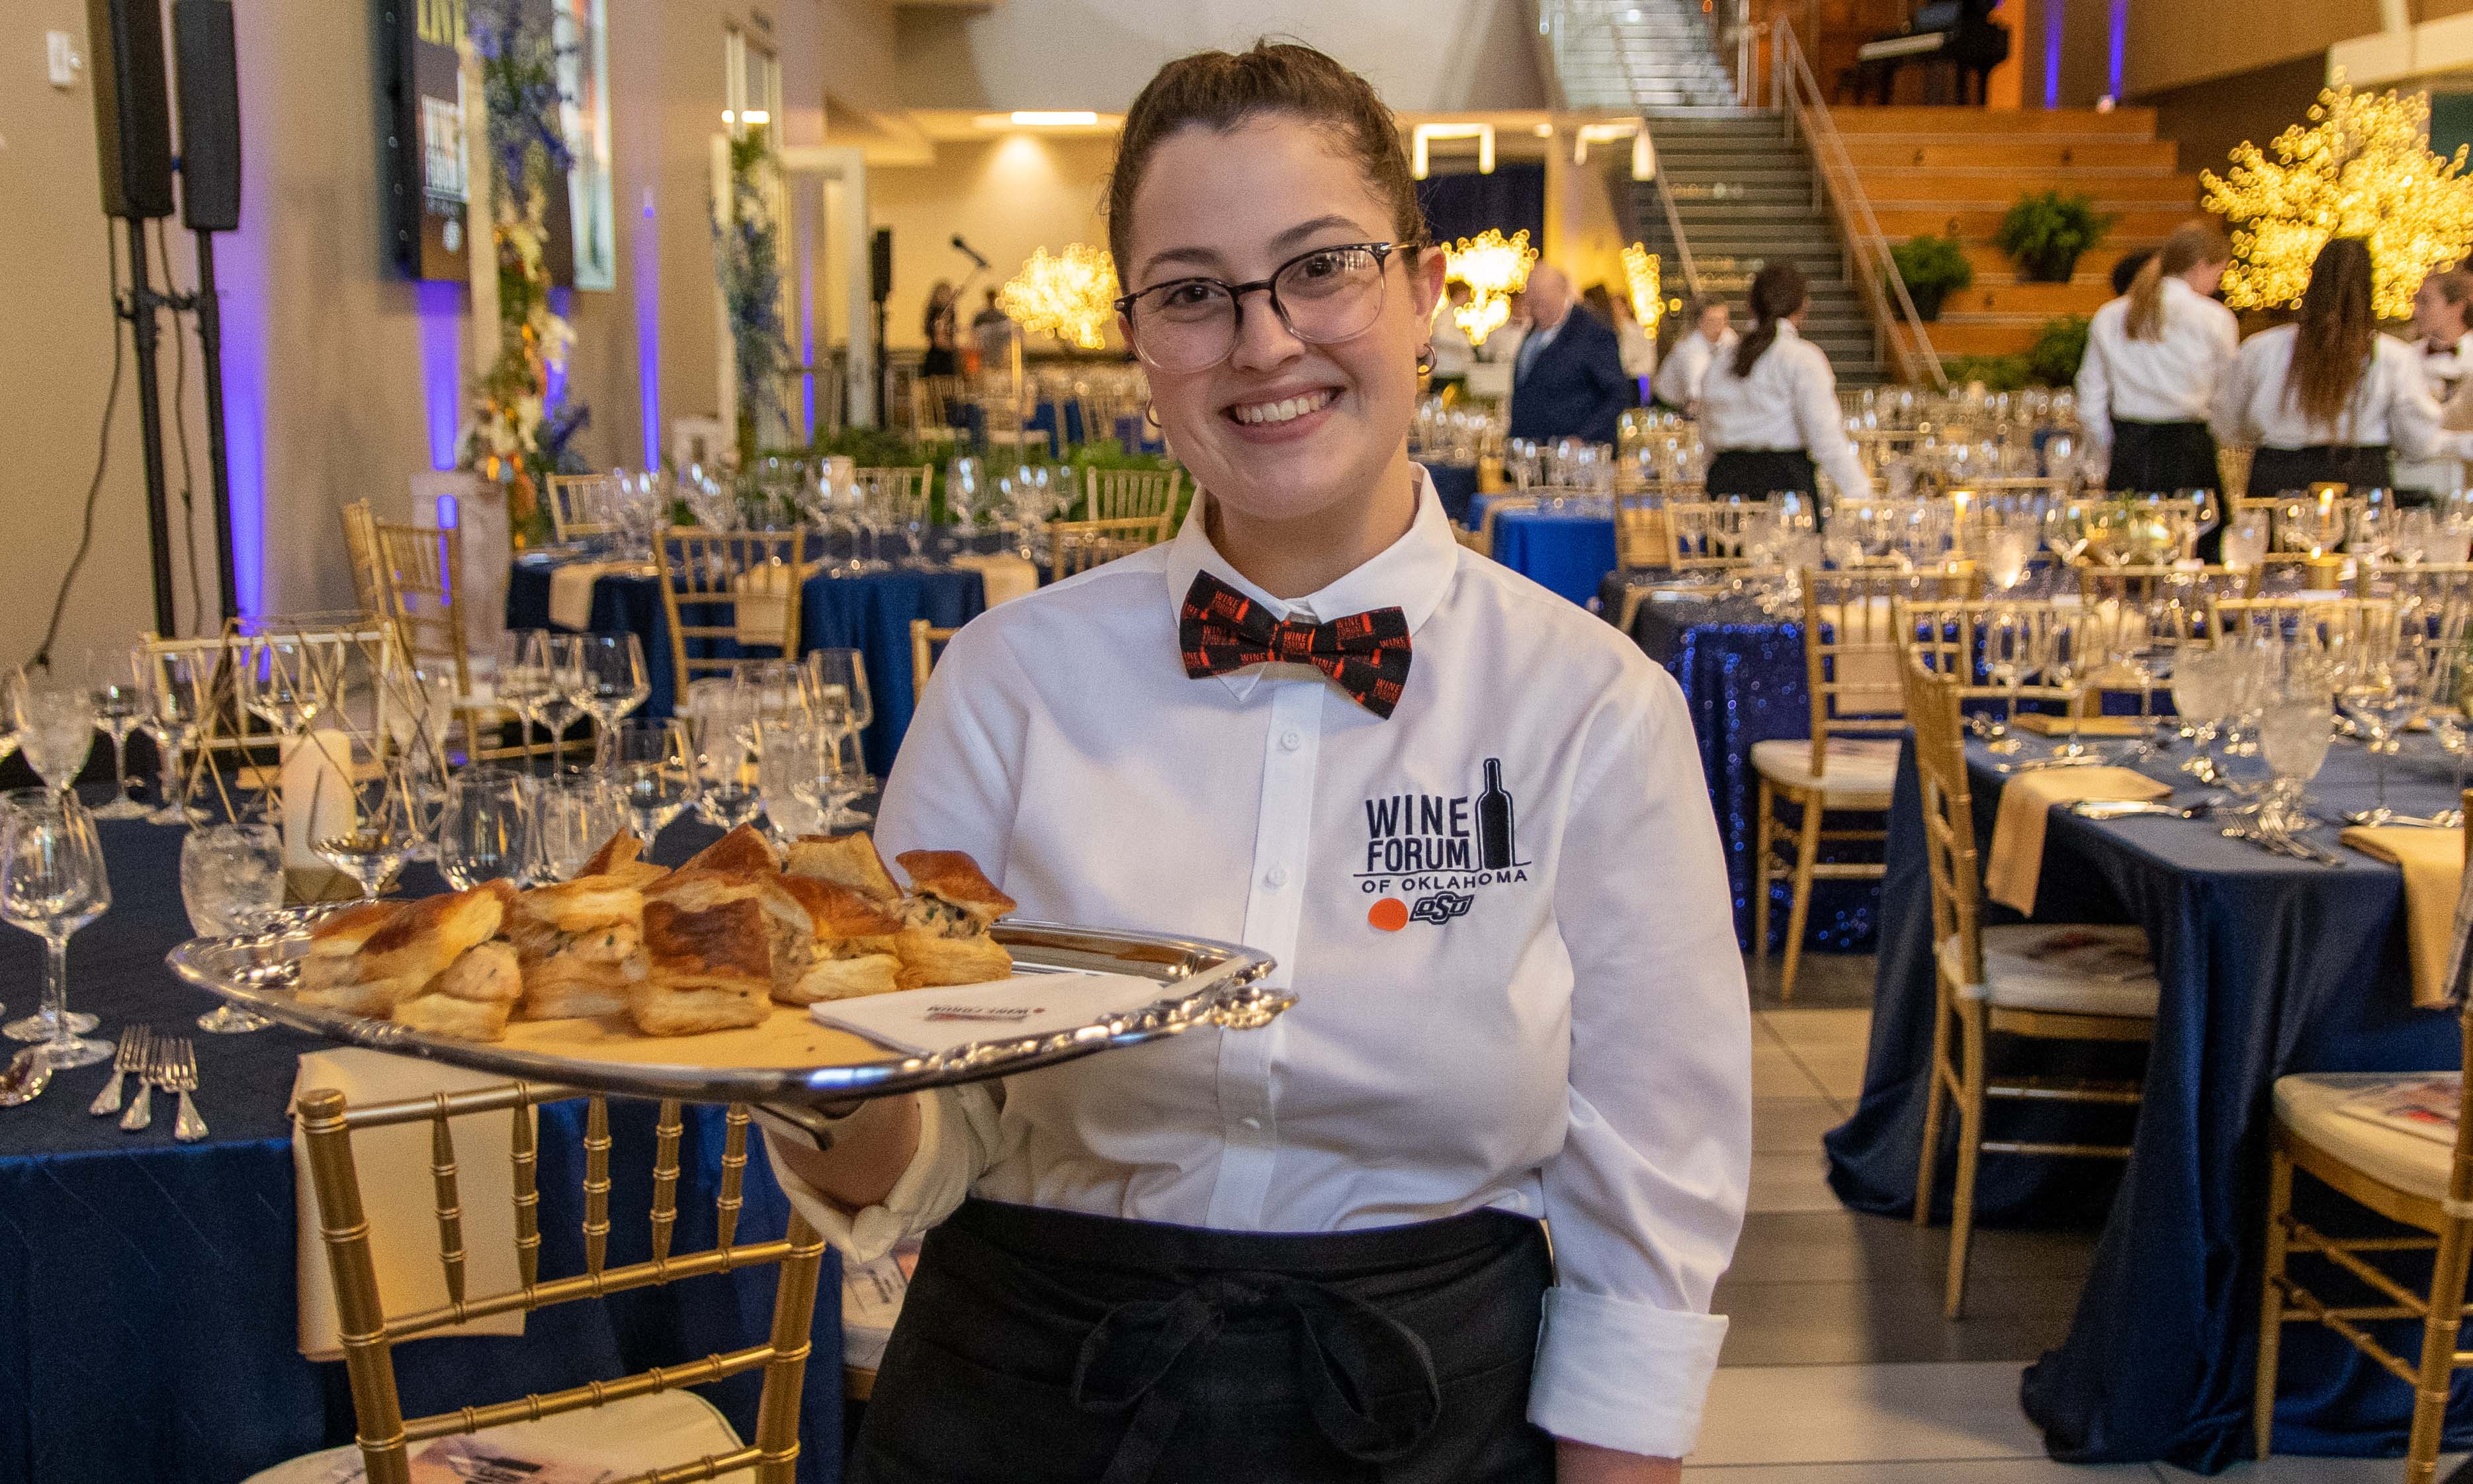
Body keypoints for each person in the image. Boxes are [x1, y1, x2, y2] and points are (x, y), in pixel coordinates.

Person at [759, 38, 1749, 1484]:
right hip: (1022, 1401)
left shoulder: (1593, 709)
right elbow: (933, 1140)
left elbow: (1645, 1213)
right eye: (1193, 293)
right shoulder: (1007, 681)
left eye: (1321, 266)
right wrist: (801, 1070)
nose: (1265, 339)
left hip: (1424, 1413)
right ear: (1140, 341)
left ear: (1421, 292)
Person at [2212, 236, 2473, 496]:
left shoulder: (2262, 348)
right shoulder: (2392, 356)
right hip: (2360, 480)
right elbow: (2417, 442)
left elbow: (2227, 423)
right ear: (2368, 290)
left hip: (2279, 479)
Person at [2073, 222, 2237, 496]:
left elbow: (2091, 397)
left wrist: (2107, 452)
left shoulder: (2111, 315)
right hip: (2190, 452)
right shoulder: (2215, 317)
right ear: (2199, 266)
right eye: (2218, 275)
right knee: (2195, 533)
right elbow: (2227, 394)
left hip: (2130, 450)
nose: (2216, 285)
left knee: (2128, 536)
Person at [1696, 262, 1870, 500]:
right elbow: (1825, 438)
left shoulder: (1720, 361)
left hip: (1725, 488)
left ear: (1749, 306)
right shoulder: (1803, 358)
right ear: (1803, 307)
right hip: (1786, 489)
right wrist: (1861, 494)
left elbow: (1707, 437)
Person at [1508, 264, 1632, 446]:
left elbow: (1617, 393)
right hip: (1530, 450)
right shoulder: (1535, 332)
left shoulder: (1591, 332)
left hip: (1570, 455)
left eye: (1540, 302)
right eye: (1531, 301)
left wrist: (1583, 437)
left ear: (1561, 293)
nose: (1533, 310)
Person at [1651, 297, 1733, 414]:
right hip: (1669, 404)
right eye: (1712, 321)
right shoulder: (1689, 349)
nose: (1719, 327)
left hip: (1695, 402)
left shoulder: (1728, 337)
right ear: (1700, 322)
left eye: (1723, 320)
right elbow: (1696, 393)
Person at [1588, 283, 1658, 392]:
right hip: (1641, 377)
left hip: (1637, 379)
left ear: (1625, 308)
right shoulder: (1630, 329)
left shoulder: (1630, 330)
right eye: (1613, 307)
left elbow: (1625, 358)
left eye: (1618, 307)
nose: (1614, 311)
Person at [1428, 281, 1476, 386]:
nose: (1468, 298)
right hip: (1445, 371)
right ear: (1460, 293)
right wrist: (1464, 345)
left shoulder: (1452, 314)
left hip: (1454, 370)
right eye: (1467, 294)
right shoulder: (1445, 315)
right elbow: (1440, 337)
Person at [971, 287, 1018, 372]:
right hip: (984, 354)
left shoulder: (1002, 317)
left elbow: (1008, 337)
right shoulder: (980, 316)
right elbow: (974, 334)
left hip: (999, 354)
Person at [921, 281, 961, 378]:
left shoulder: (951, 312)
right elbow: (938, 339)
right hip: (937, 359)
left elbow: (952, 332)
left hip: (948, 358)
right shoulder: (935, 313)